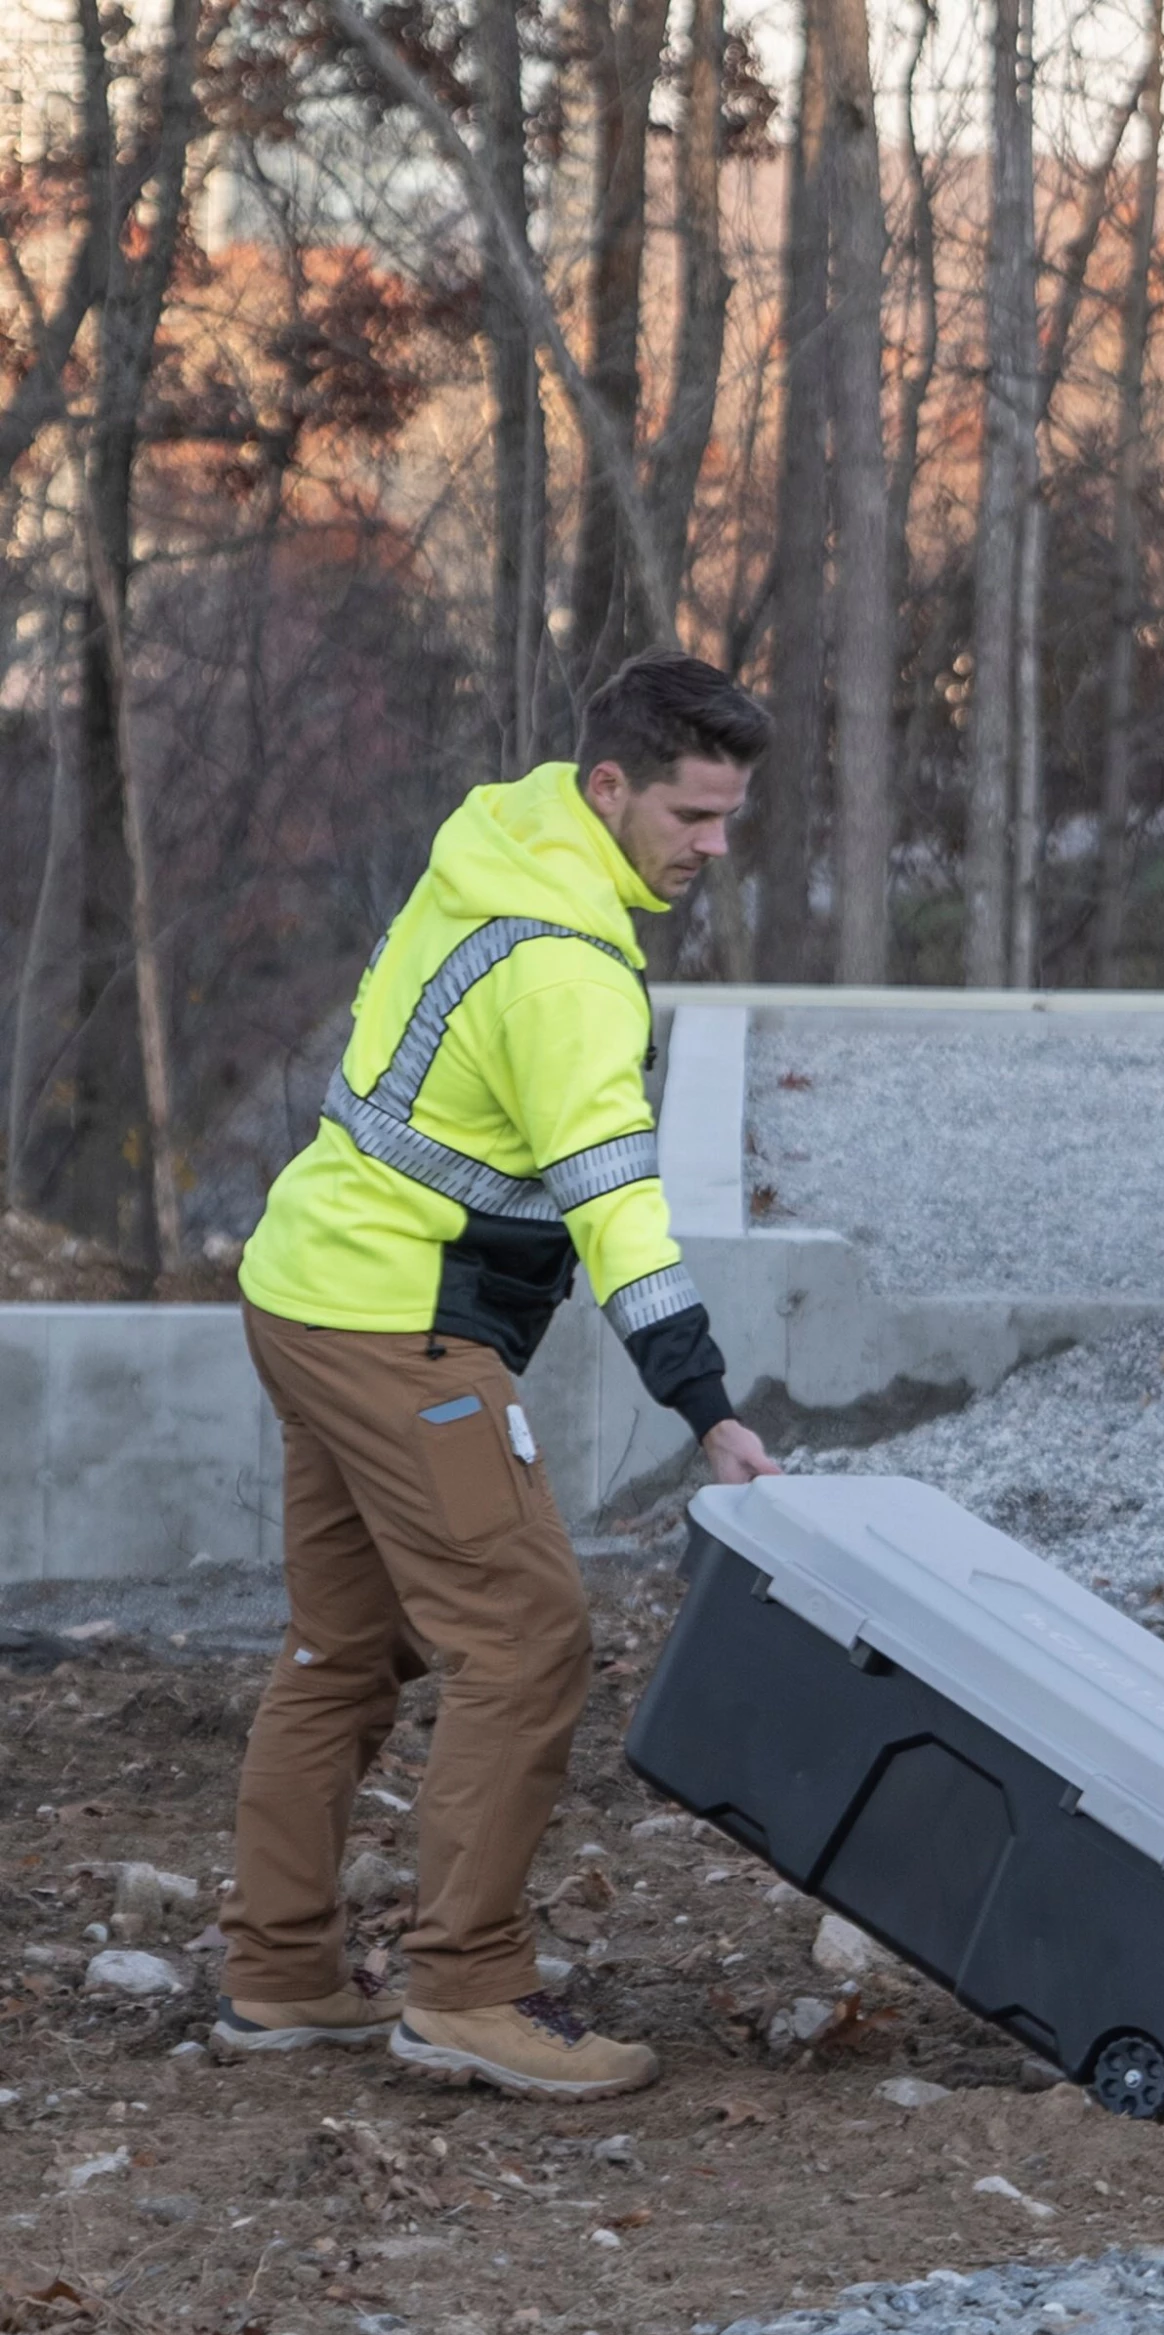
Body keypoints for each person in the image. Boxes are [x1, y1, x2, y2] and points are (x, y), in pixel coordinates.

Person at [214, 651, 781, 2101]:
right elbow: (619, 1211)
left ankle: (279, 1973)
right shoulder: (567, 970)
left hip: (307, 1285)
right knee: (528, 1635)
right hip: (400, 1329)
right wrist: (708, 1405)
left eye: (726, 820)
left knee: (347, 1647)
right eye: (694, 817)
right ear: (611, 787)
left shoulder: (496, 851)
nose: (712, 849)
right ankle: (464, 1989)